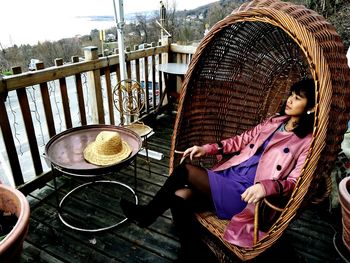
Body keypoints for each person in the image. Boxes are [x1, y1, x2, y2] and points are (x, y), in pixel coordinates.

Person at [121, 79, 316, 259]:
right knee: (180, 196)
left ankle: (147, 215)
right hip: (230, 175)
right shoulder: (274, 121)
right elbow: (240, 140)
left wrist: (265, 187)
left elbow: (294, 183)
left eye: (297, 98)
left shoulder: (306, 141)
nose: (290, 100)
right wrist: (206, 149)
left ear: (311, 107)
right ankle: (190, 251)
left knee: (185, 171)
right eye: (291, 94)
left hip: (247, 194)